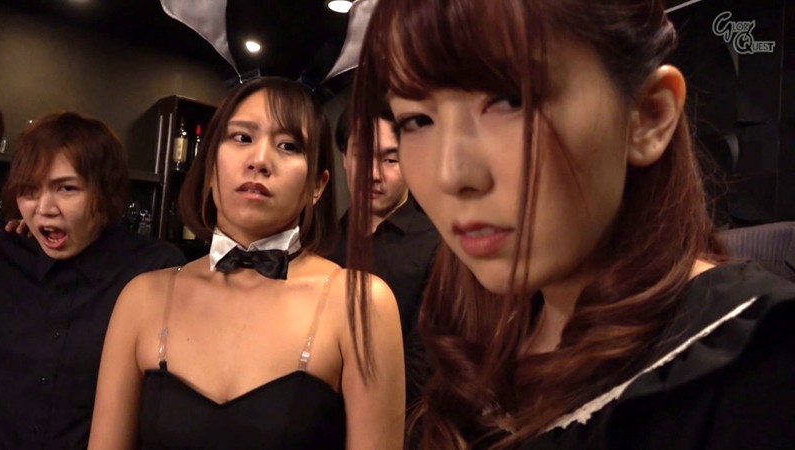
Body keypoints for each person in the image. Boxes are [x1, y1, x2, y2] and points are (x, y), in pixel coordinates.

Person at [347, 0, 795, 448]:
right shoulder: (492, 329)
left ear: (649, 116)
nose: (451, 174)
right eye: (417, 120)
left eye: (511, 100)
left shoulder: (761, 369)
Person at [88, 77, 405, 449]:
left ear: (317, 186)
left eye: (288, 145)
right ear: (210, 167)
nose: (259, 160)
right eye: (242, 137)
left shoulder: (360, 304)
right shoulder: (142, 299)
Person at [0, 112, 186, 449]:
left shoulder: (154, 270)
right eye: (29, 190)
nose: (44, 208)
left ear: (105, 191)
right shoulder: (4, 257)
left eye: (67, 188)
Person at [329, 105, 439, 409]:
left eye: (391, 160)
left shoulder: (436, 246)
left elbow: (426, 366)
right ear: (344, 157)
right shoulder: (322, 242)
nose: (374, 175)